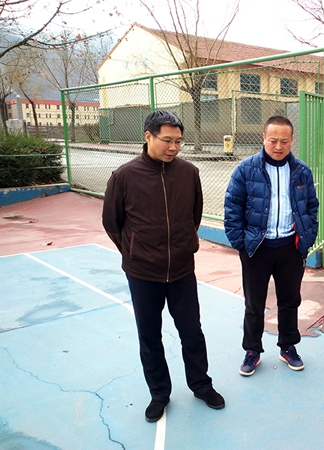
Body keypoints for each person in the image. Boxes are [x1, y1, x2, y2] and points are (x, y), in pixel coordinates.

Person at [102, 110, 224, 423]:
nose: (173, 147)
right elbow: (112, 223)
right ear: (148, 136)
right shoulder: (124, 177)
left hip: (182, 271)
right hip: (143, 275)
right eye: (167, 140)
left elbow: (194, 216)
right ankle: (159, 394)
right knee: (150, 336)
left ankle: (201, 385)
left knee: (192, 332)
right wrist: (135, 252)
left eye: (178, 141)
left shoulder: (189, 173)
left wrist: (183, 245)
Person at [224, 115, 319, 377]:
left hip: (290, 248)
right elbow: (232, 207)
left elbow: (311, 206)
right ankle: (252, 350)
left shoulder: (302, 171)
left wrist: (307, 237)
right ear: (264, 138)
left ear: (291, 140)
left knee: (290, 301)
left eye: (284, 141)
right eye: (273, 140)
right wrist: (241, 243)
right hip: (257, 248)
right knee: (254, 303)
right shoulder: (246, 169)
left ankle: (288, 346)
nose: (278, 146)